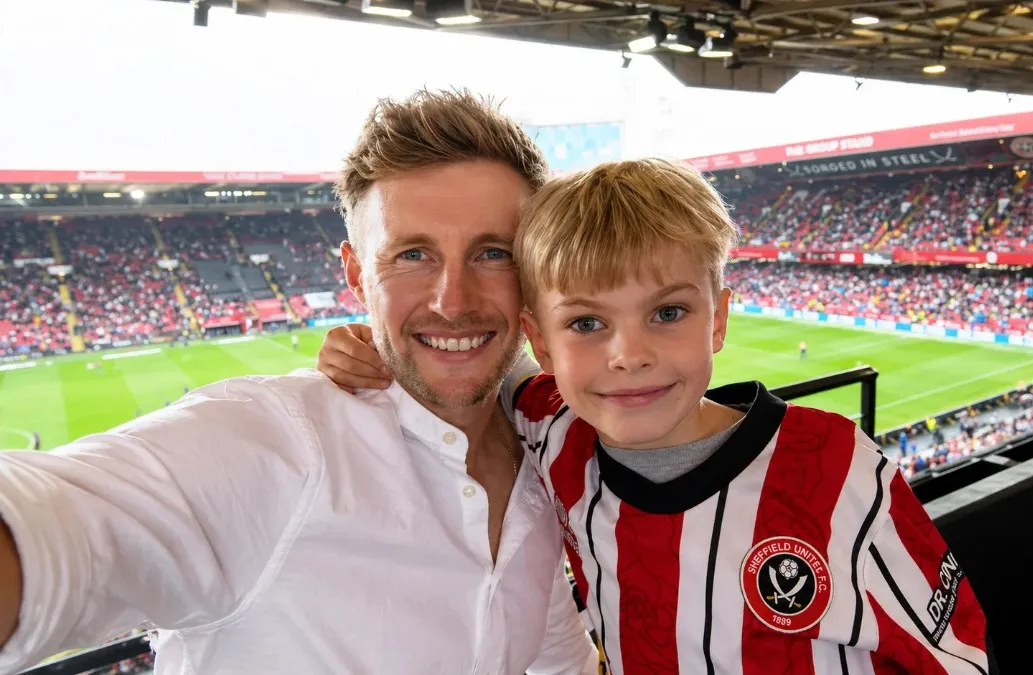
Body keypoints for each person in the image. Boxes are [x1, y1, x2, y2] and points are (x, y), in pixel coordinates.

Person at [318, 158, 995, 673]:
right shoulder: (553, 428)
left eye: (667, 312)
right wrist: (370, 343)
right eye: (587, 322)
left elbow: (955, 650)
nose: (628, 355)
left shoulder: (839, 467)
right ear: (542, 340)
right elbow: (473, 366)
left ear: (719, 319)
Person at [0, 91, 597, 675]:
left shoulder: (543, 460)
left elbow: (556, 658)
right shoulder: (274, 444)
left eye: (493, 253)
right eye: (412, 255)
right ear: (358, 277)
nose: (453, 300)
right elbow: (60, 526)